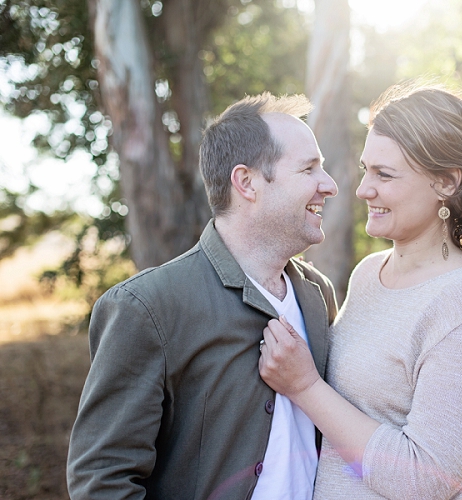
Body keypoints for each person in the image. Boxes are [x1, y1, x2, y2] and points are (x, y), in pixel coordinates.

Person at [67, 93, 339, 499]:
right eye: (308, 168)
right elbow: (102, 480)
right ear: (246, 182)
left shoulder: (319, 296)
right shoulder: (146, 308)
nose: (329, 184)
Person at [258, 83, 462, 499]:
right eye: (365, 169)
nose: (362, 190)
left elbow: (428, 479)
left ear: (446, 182)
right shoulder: (368, 274)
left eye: (384, 174)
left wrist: (304, 386)